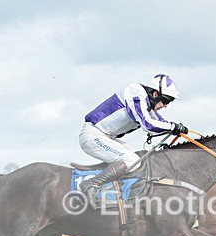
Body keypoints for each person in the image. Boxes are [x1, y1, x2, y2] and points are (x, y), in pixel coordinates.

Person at [78, 74, 188, 204]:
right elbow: (148, 124)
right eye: (165, 101)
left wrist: (176, 127)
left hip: (106, 137)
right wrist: (172, 127)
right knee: (131, 160)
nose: (165, 106)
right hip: (92, 135)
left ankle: (122, 194)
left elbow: (159, 121)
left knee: (140, 157)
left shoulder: (146, 102)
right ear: (155, 94)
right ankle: (91, 185)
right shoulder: (136, 94)